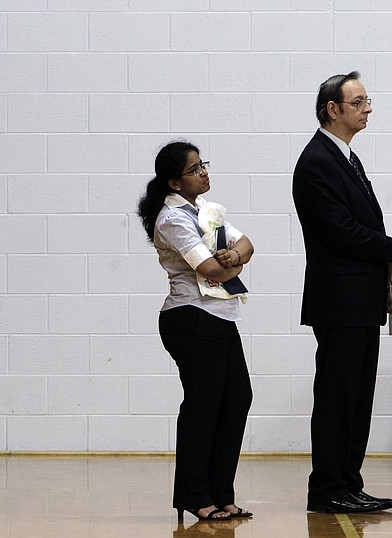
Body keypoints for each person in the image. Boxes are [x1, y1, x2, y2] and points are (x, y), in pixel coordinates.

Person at [292, 72, 392, 513]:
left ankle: (348, 482)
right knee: (338, 398)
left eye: (367, 99)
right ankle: (326, 489)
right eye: (358, 101)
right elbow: (338, 230)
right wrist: (388, 246)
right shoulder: (318, 160)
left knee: (357, 398)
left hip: (359, 300)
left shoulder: (344, 157)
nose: (368, 108)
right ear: (332, 110)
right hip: (339, 301)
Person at [138, 141, 254, 522]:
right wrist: (231, 266)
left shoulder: (207, 211)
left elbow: (246, 244)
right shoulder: (172, 219)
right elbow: (210, 270)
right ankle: (194, 496)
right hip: (189, 318)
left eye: (202, 164)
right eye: (194, 169)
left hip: (220, 316)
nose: (203, 172)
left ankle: (222, 494)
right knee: (203, 407)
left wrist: (234, 257)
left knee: (237, 398)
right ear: (174, 182)